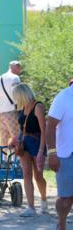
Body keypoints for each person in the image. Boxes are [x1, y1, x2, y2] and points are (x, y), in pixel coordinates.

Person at [10, 83, 48, 217]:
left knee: (39, 176)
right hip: (24, 143)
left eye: (16, 97)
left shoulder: (38, 106)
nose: (15, 100)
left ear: (22, 95)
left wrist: (41, 152)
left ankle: (43, 199)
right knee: (26, 174)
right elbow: (22, 128)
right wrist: (15, 140)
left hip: (38, 143)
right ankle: (31, 207)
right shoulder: (23, 108)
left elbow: (44, 131)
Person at [45, 79, 73, 230]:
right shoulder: (63, 97)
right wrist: (52, 153)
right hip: (66, 155)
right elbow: (50, 127)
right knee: (66, 200)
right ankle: (61, 223)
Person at [0, 60, 22, 147]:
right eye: (19, 68)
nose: (20, 71)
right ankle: (16, 159)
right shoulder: (15, 78)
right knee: (16, 137)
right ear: (16, 67)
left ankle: (4, 159)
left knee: (4, 138)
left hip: (1, 111)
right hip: (12, 111)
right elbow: (18, 94)